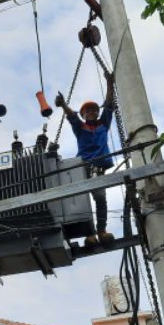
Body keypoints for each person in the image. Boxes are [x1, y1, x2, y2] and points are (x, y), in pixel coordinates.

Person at [55, 70, 116, 247]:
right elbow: (72, 116)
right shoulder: (80, 128)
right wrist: (63, 105)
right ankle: (90, 234)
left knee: (100, 197)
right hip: (81, 168)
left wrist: (110, 83)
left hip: (98, 169)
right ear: (83, 115)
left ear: (97, 113)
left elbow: (109, 105)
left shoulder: (103, 124)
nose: (91, 112)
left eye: (94, 110)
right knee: (82, 200)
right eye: (87, 111)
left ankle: (101, 231)